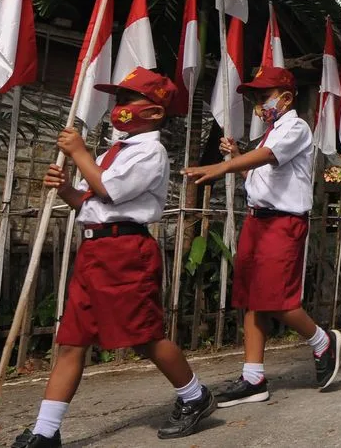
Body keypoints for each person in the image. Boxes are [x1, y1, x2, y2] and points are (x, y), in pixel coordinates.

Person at [13, 68, 213, 448]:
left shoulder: (150, 152)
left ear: (154, 113)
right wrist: (67, 188)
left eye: (126, 100)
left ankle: (194, 395)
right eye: (118, 99)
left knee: (145, 337)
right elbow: (89, 204)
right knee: (72, 340)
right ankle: (45, 431)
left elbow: (110, 191)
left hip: (126, 251)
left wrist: (80, 154)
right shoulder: (111, 151)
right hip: (94, 250)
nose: (118, 108)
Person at [184, 66, 341, 406]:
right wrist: (239, 157)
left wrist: (225, 165)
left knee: (276, 299)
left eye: (263, 97)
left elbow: (270, 159)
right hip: (258, 221)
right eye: (256, 98)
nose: (258, 105)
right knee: (251, 298)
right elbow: (260, 180)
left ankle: (321, 340)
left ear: (286, 98)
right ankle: (253, 376)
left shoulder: (296, 127)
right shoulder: (269, 134)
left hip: (283, 223)